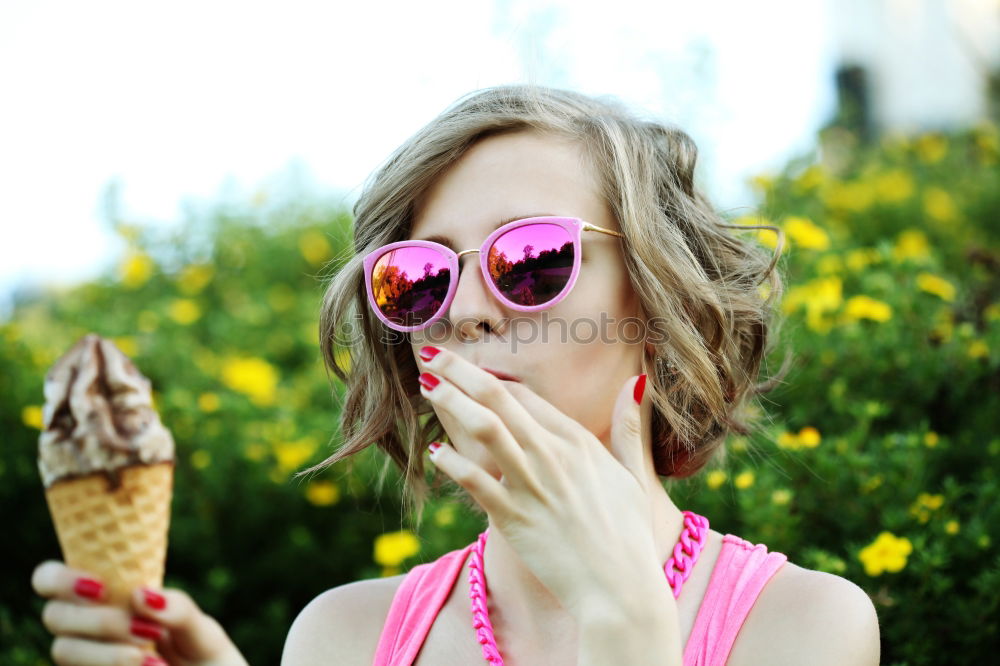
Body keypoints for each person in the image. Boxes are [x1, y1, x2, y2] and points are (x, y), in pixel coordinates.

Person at [31, 84, 881, 665]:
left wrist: (628, 632)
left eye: (534, 258)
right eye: (418, 277)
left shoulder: (805, 627)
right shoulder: (340, 639)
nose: (466, 309)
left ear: (662, 308)